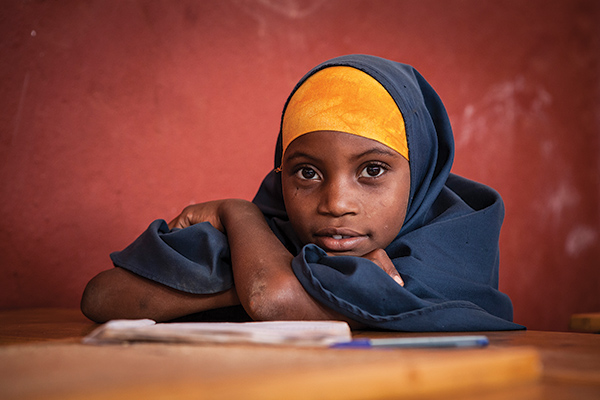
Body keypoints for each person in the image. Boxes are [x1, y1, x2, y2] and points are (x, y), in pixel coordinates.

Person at [81, 54, 523, 331]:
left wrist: (262, 257)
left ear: (420, 171)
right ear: (281, 173)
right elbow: (101, 296)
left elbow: (270, 297)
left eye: (372, 170)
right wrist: (251, 226)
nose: (336, 204)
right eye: (307, 173)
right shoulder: (270, 224)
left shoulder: (456, 239)